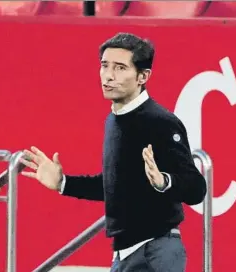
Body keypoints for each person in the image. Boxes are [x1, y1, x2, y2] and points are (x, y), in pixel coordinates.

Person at [21, 33, 207, 272]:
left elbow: (196, 188)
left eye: (120, 68)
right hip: (126, 254)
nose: (108, 75)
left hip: (155, 252)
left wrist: (163, 181)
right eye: (104, 66)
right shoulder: (114, 120)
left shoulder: (161, 122)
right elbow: (115, 187)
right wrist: (63, 183)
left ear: (143, 76)